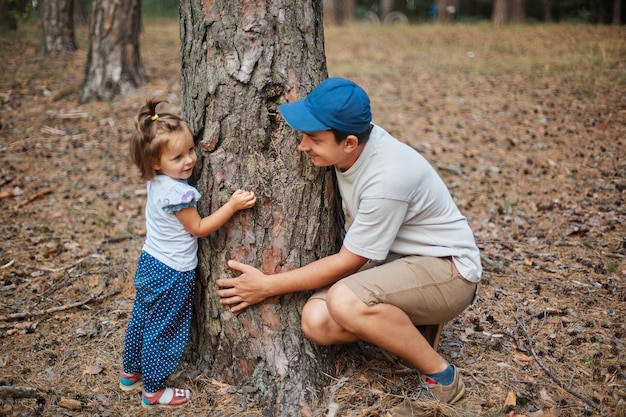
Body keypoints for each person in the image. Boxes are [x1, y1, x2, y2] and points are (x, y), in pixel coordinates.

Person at [216, 78, 481, 405]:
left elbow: (347, 261)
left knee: (343, 301)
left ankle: (443, 378)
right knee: (316, 321)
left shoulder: (386, 178)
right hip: (400, 263)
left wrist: (267, 286)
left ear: (350, 142)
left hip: (449, 271)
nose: (302, 146)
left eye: (314, 138)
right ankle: (410, 329)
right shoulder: (352, 143)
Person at [120, 99, 256, 408]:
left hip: (150, 261)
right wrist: (232, 206)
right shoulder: (179, 193)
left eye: (191, 151)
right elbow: (199, 227)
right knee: (163, 328)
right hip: (171, 271)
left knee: (142, 318)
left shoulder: (158, 183)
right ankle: (153, 390)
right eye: (177, 156)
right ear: (156, 162)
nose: (189, 160)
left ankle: (130, 374)